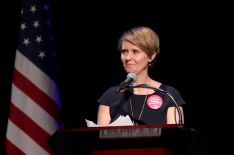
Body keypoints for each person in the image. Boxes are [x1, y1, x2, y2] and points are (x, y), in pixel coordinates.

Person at [97, 26, 185, 126]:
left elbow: (175, 138)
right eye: (124, 51)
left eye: (135, 51)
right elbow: (100, 138)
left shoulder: (169, 95)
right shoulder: (111, 95)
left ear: (151, 55)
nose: (128, 58)